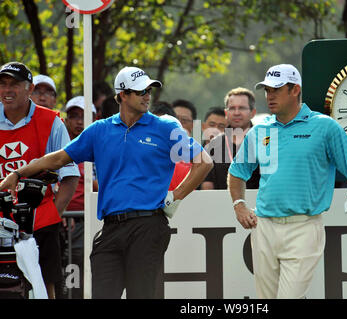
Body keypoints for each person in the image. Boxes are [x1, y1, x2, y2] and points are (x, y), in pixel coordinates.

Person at [0, 66, 213, 299]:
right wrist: (18, 174)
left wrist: (176, 196)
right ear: (122, 95)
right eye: (140, 91)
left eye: (149, 91)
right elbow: (60, 157)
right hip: (111, 227)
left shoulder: (165, 126)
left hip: (148, 224)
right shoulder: (100, 130)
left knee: (141, 295)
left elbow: (204, 162)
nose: (147, 96)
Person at [227, 64, 347, 299]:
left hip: (304, 226)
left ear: (295, 90)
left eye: (276, 89)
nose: (269, 96)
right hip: (264, 227)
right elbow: (237, 172)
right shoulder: (259, 130)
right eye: (267, 90)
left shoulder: (324, 126)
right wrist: (239, 204)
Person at [0, 62, 80, 299]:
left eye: (14, 84)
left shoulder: (51, 121)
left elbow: (70, 175)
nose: (7, 90)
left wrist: (52, 215)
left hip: (40, 219)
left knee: (45, 286)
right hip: (0, 217)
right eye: (3, 84)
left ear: (29, 89)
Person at [63, 96, 99, 299]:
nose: (79, 121)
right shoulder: (60, 146)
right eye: (74, 116)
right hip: (64, 219)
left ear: (95, 119)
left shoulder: (102, 144)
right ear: (66, 120)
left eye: (85, 116)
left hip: (92, 219)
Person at [201, 87, 260, 190]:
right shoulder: (213, 145)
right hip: (220, 204)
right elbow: (207, 185)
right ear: (226, 113)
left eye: (241, 108)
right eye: (232, 108)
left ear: (253, 113)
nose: (236, 113)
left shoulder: (265, 142)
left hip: (256, 204)